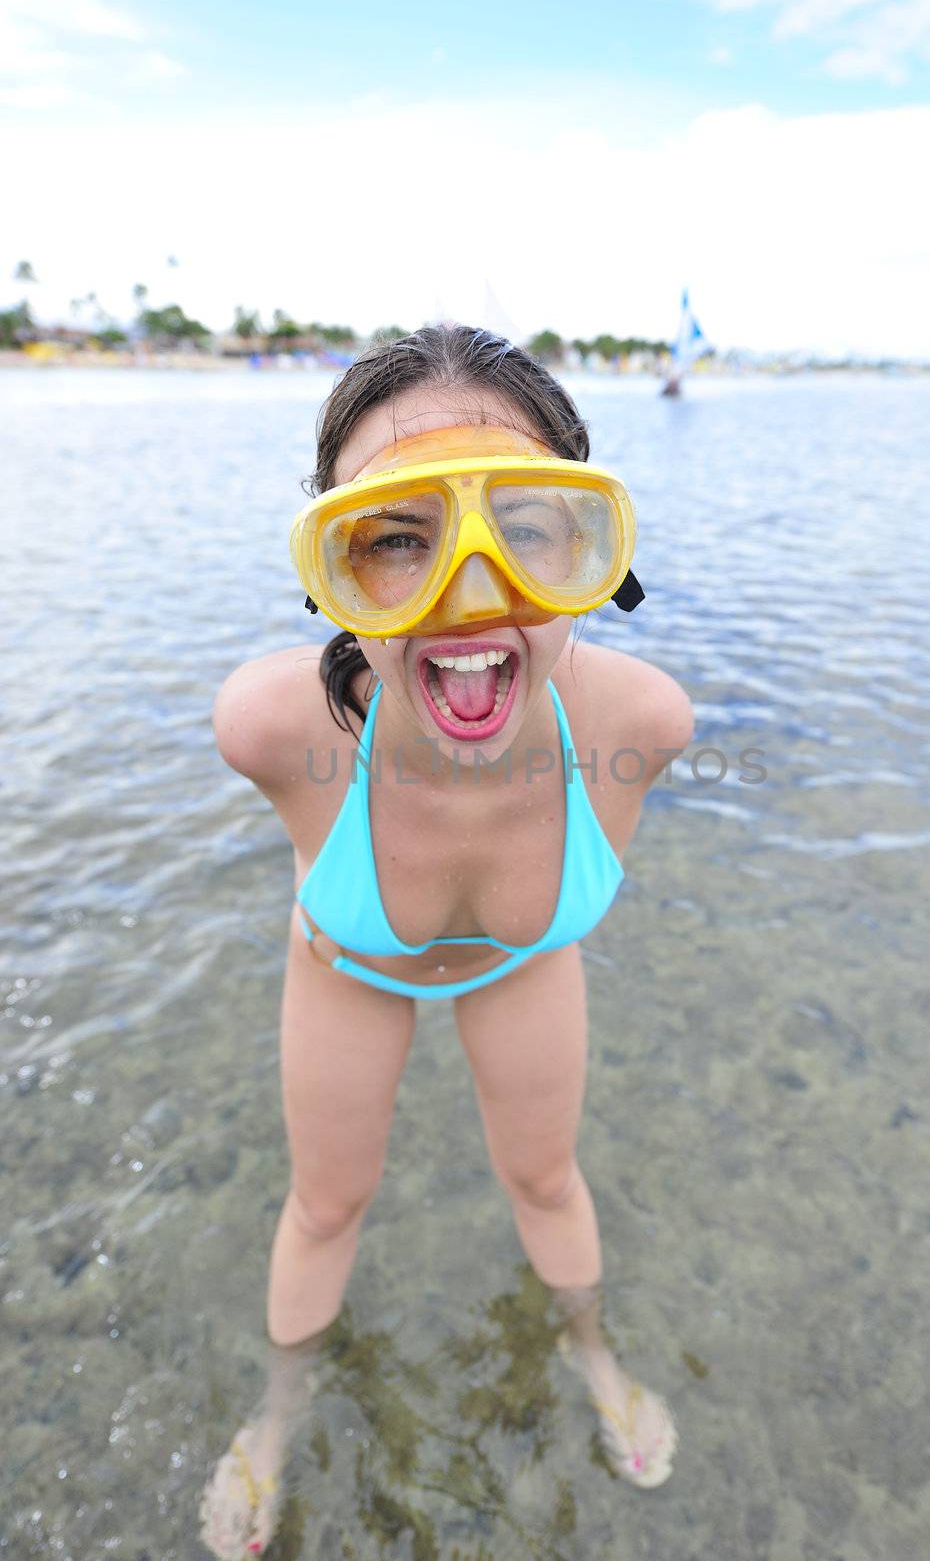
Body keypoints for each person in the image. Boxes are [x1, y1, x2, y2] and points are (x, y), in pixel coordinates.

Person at [198, 324, 693, 1557]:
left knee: (543, 1177)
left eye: (523, 529)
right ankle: (277, 1416)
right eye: (397, 538)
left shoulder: (640, 719)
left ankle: (593, 1356)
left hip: (521, 964)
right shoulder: (271, 724)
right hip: (347, 965)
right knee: (327, 1201)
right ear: (328, 571)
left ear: (592, 552)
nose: (470, 591)